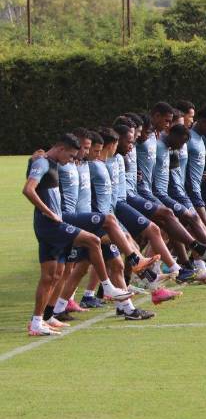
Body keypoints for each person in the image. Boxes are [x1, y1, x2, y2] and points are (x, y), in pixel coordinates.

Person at [23, 134, 132, 336]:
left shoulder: (49, 161)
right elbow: (28, 190)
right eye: (71, 155)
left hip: (50, 225)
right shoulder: (42, 163)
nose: (72, 160)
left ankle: (38, 321)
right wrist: (48, 212)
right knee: (93, 240)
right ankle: (107, 287)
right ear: (61, 148)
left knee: (52, 275)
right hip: (50, 225)